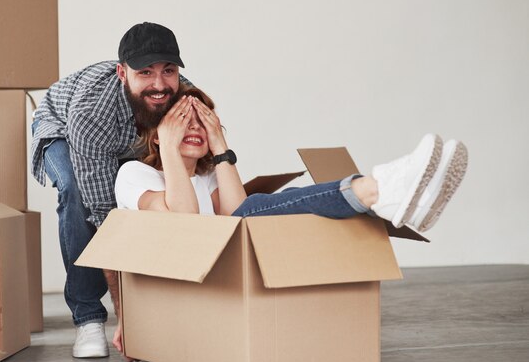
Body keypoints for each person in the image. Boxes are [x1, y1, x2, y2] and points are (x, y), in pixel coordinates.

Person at [115, 85, 468, 240]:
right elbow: (182, 225)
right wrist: (170, 147)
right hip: (184, 284)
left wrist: (221, 144)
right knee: (256, 207)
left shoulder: (208, 180)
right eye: (181, 120)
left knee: (261, 209)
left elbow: (240, 215)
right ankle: (378, 189)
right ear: (157, 134)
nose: (194, 128)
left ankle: (393, 201)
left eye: (202, 121)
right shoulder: (134, 174)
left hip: (226, 276)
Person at [30, 22, 191, 358]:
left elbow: (198, 175)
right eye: (145, 72)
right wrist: (126, 317)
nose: (159, 84)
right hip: (62, 126)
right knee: (77, 193)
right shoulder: (92, 111)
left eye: (168, 71)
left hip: (124, 142)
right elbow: (105, 217)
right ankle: (88, 318)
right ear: (122, 72)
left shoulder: (185, 99)